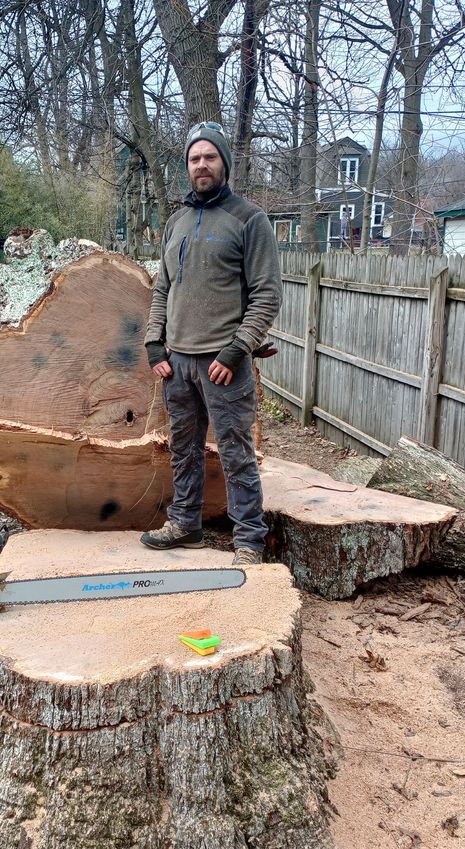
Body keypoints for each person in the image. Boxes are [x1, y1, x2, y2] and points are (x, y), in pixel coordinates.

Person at [140, 121, 282, 565]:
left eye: (210, 157)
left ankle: (249, 541)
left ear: (225, 163)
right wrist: (154, 344)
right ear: (187, 166)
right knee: (183, 449)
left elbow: (267, 294)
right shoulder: (178, 222)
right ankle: (185, 524)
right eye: (194, 158)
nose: (202, 164)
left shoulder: (249, 220)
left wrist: (236, 349)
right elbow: (163, 287)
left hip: (224, 364)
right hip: (176, 363)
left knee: (237, 453)